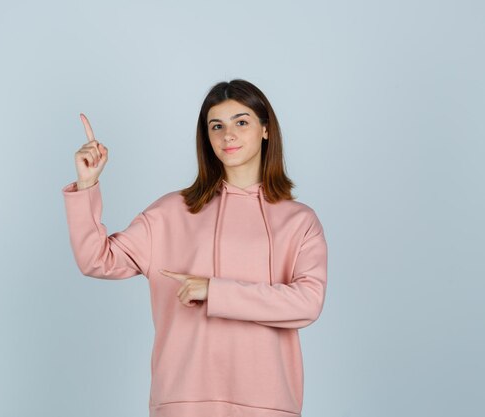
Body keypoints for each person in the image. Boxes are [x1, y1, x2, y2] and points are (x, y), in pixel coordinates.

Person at [61, 79, 328, 417]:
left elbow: (308, 303)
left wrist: (214, 291)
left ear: (265, 129)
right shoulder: (172, 212)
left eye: (241, 122)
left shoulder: (299, 221)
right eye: (216, 126)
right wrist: (87, 184)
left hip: (268, 403)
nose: (227, 135)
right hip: (182, 399)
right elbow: (97, 260)